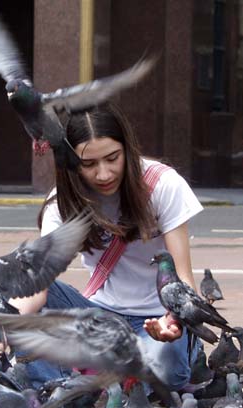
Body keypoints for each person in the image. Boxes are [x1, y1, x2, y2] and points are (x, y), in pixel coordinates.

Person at [11, 102, 203, 390]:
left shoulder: (163, 185)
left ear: (127, 149)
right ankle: (60, 398)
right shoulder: (62, 203)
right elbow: (39, 284)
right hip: (101, 322)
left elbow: (184, 280)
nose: (104, 174)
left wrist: (172, 321)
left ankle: (115, 380)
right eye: (88, 164)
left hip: (158, 321)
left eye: (113, 158)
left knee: (165, 365)